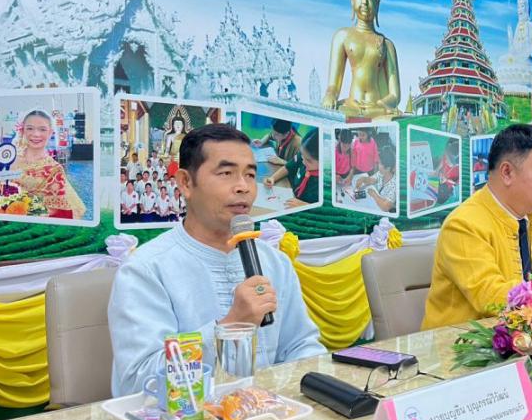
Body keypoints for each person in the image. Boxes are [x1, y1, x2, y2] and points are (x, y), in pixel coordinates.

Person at [108, 124, 325, 397]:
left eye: (250, 174)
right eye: (226, 173)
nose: (243, 187)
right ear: (186, 183)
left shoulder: (275, 263)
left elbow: (302, 346)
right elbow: (140, 381)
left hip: (270, 414)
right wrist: (230, 326)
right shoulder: (145, 270)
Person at [421, 124, 532, 330]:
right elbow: (491, 298)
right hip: (463, 344)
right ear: (507, 172)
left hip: (527, 338)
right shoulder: (463, 225)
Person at [322, 0, 401, 118]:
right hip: (352, 105)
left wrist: (380, 106)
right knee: (336, 112)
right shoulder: (342, 36)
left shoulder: (387, 45)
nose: (364, 1)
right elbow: (333, 85)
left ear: (377, 4)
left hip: (377, 108)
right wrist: (330, 95)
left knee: (393, 118)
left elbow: (395, 95)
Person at [11, 109, 86, 219]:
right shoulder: (10, 161)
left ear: (50, 133)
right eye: (30, 128)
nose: (36, 134)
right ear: (22, 130)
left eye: (42, 129)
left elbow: (60, 213)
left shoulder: (54, 170)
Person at [264, 130, 320, 206]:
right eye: (302, 155)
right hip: (289, 193)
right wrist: (273, 178)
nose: (303, 161)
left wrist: (304, 205)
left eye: (309, 161)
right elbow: (289, 167)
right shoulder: (305, 155)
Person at [355, 145, 397, 213]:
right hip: (373, 206)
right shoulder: (381, 173)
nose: (378, 165)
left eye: (380, 163)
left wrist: (374, 195)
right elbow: (372, 180)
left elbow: (386, 207)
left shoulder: (395, 185)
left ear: (388, 168)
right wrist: (363, 179)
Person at [436, 139, 460, 205]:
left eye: (448, 160)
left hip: (446, 186)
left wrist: (446, 179)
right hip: (442, 181)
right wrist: (437, 170)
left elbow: (456, 183)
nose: (446, 161)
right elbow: (442, 162)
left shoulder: (457, 169)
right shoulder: (446, 156)